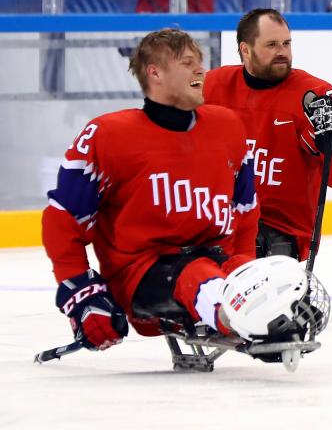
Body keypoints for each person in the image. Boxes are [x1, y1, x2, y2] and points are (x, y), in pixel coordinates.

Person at [40, 29, 258, 350]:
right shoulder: (109, 136)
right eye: (187, 63)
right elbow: (63, 218)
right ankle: (238, 318)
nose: (201, 70)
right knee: (197, 273)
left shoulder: (228, 126)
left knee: (256, 275)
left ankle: (256, 312)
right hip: (141, 273)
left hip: (214, 260)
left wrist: (245, 267)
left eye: (201, 62)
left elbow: (245, 208)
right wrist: (80, 290)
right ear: (155, 73)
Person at [203, 8, 332, 260]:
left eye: (286, 43)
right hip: (220, 216)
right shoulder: (213, 85)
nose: (282, 51)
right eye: (271, 45)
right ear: (245, 50)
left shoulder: (313, 94)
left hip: (280, 228)